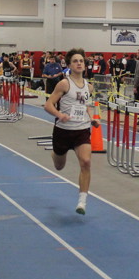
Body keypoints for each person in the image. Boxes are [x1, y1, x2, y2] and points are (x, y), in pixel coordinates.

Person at [44, 48, 100, 215]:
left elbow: (86, 106)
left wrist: (92, 118)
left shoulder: (89, 87)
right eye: (75, 61)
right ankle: (55, 153)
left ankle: (82, 201)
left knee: (86, 162)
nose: (79, 63)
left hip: (81, 131)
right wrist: (59, 115)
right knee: (59, 166)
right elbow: (48, 105)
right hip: (63, 131)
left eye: (81, 61)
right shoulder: (64, 84)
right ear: (69, 65)